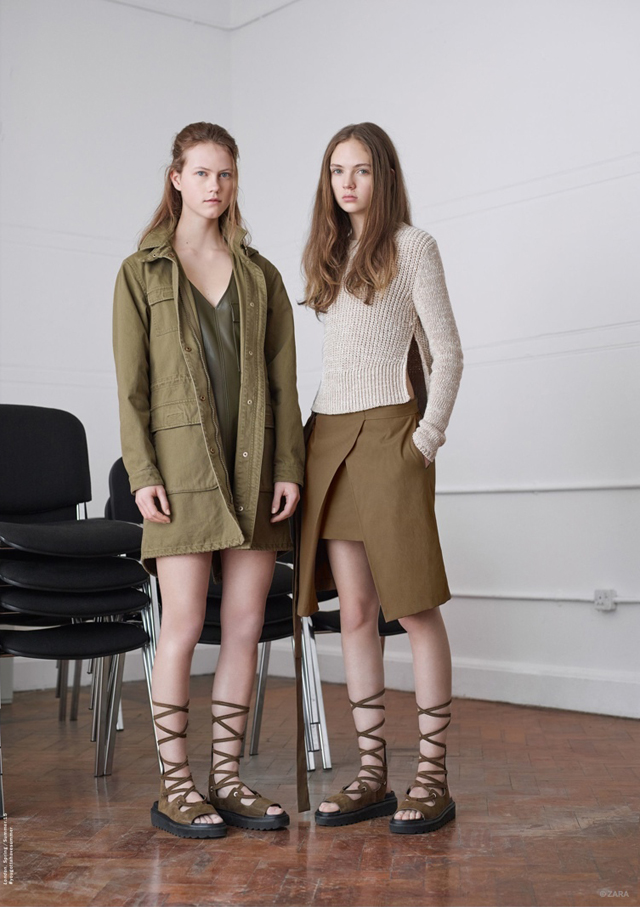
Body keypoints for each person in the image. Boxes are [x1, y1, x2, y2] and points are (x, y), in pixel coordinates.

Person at [112, 122, 305, 838]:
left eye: (225, 174)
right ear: (176, 178)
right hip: (182, 473)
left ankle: (226, 779)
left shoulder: (261, 275)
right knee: (185, 624)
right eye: (201, 172)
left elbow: (284, 384)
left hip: (254, 468)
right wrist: (142, 474)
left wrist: (288, 466)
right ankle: (177, 786)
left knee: (245, 627)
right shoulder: (142, 273)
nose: (215, 186)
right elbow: (131, 389)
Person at [296, 122, 463, 834]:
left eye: (361, 169)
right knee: (357, 611)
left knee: (414, 606)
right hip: (329, 436)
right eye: (337, 170)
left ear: (383, 176)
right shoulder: (329, 252)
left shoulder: (413, 246)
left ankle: (432, 776)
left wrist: (424, 441)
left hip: (393, 431)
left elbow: (447, 352)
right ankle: (372, 775)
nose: (347, 182)